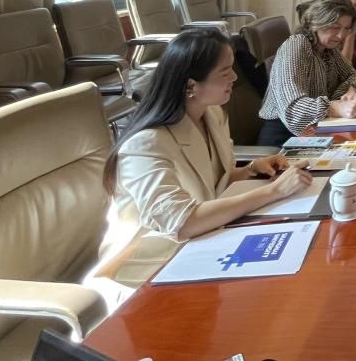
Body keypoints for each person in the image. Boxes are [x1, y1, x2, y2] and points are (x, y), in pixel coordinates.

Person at [103, 28, 313, 256]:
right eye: (225, 72)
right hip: (150, 257)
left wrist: (251, 169)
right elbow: (181, 222)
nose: (235, 78)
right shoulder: (144, 146)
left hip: (205, 237)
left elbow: (211, 184)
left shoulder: (212, 115)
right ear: (191, 86)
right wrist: (275, 191)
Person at [257, 0, 356, 146]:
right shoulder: (296, 45)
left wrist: (350, 92)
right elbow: (293, 108)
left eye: (346, 29)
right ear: (317, 23)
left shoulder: (328, 48)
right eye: (335, 27)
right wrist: (335, 107)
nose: (340, 36)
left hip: (317, 127)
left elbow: (354, 76)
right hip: (283, 138)